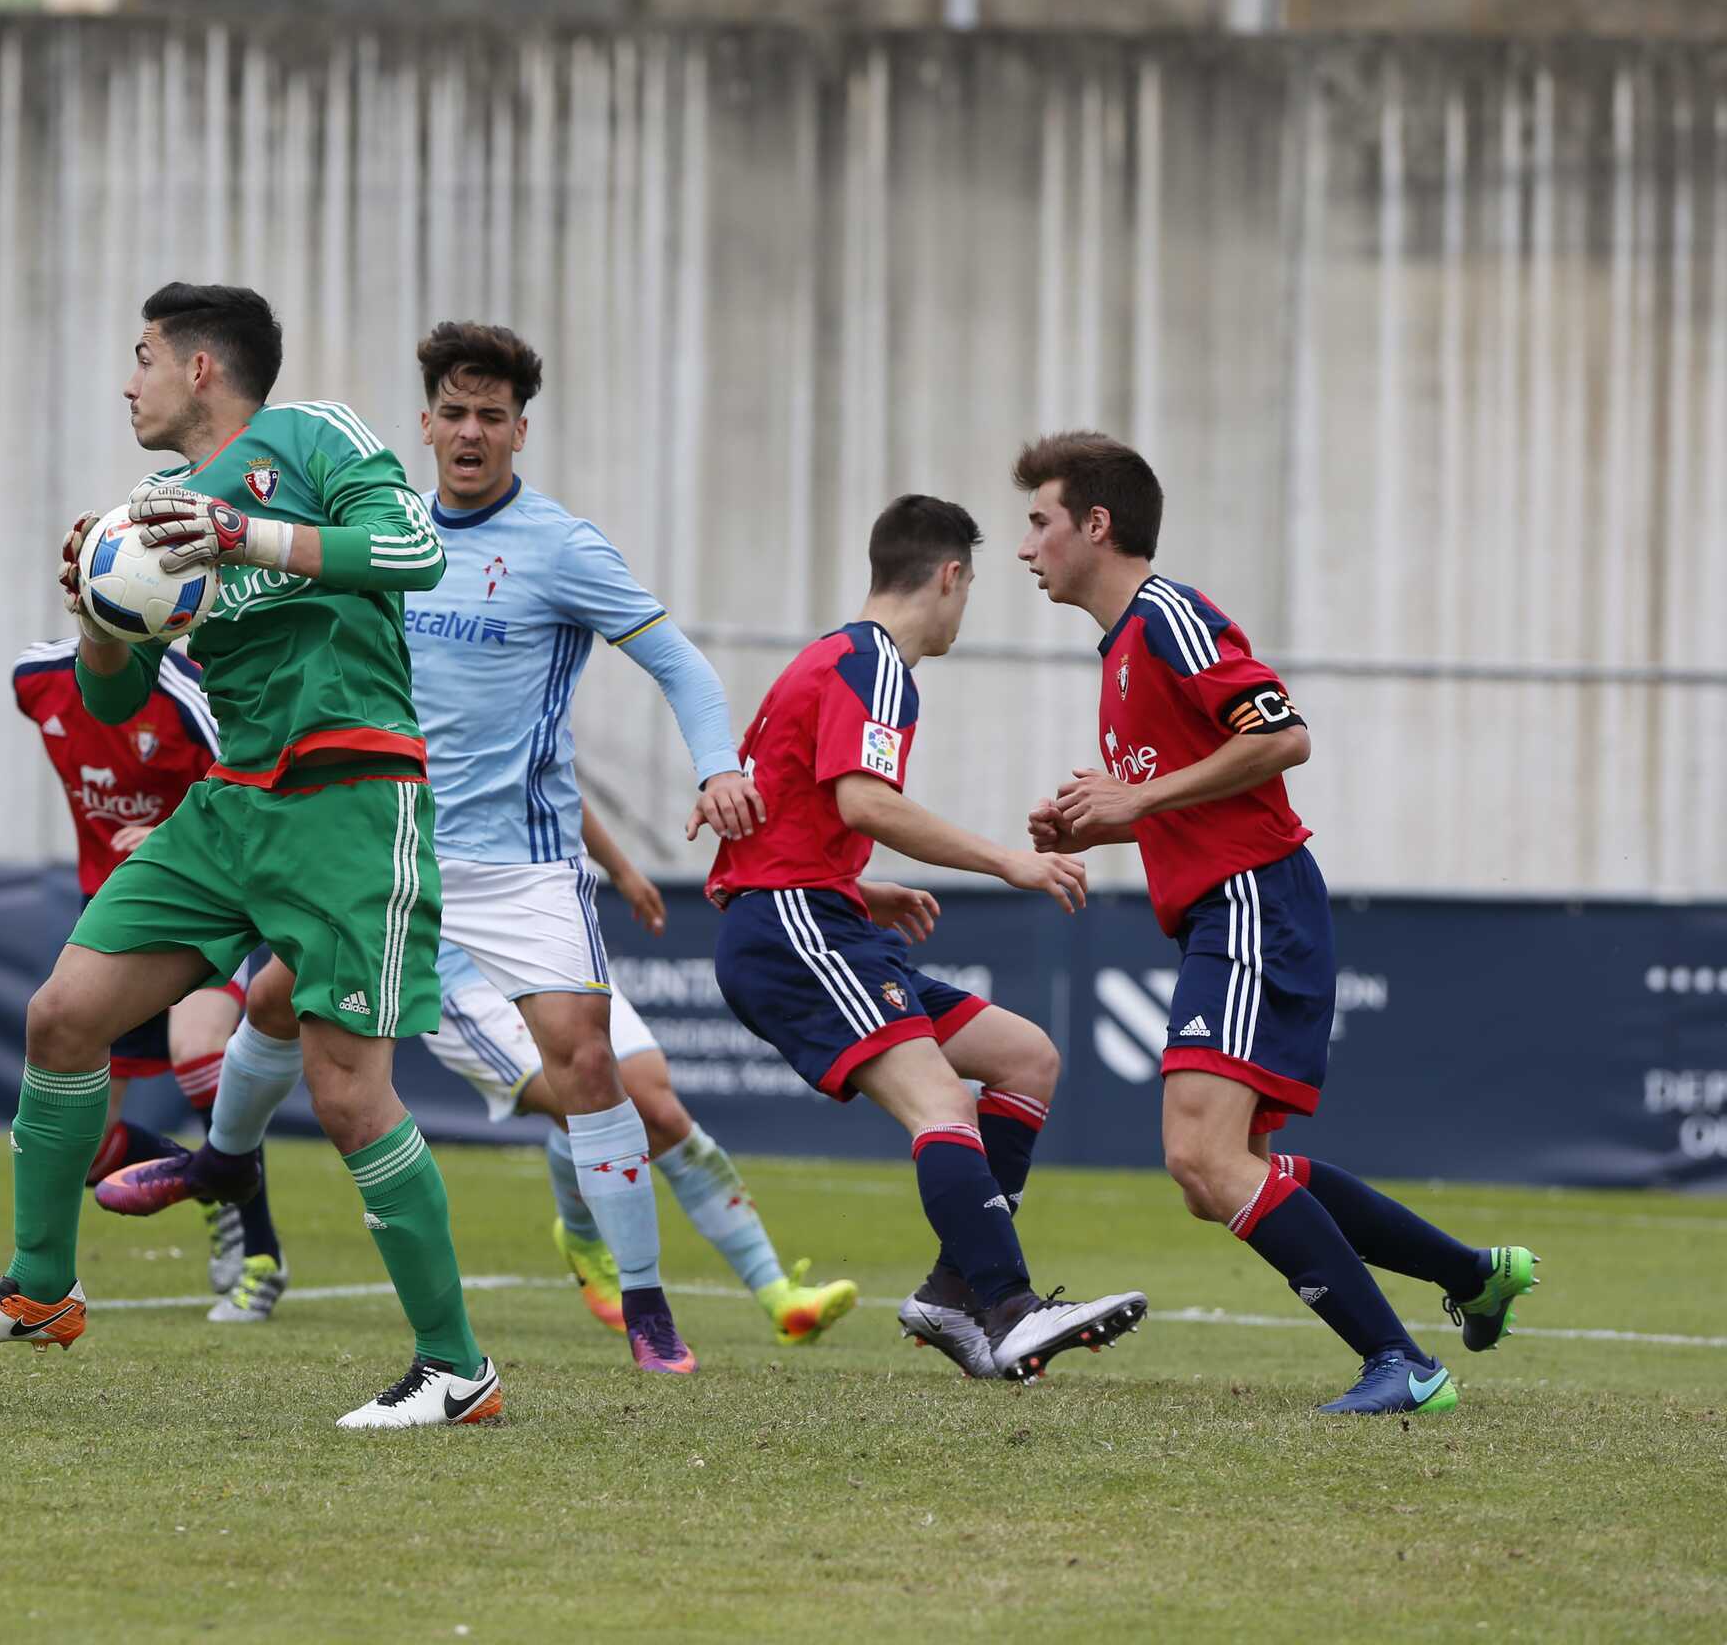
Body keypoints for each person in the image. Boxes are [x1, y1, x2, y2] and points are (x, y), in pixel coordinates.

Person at [0, 282, 499, 1432]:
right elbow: (111, 699)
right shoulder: (154, 511)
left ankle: (456, 1369)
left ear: (201, 368)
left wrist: (244, 536)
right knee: (63, 1017)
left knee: (348, 1094)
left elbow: (414, 550)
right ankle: (41, 1287)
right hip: (229, 804)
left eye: (142, 357)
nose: (127, 383)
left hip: (349, 797)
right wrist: (98, 609)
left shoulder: (314, 435)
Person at [124, 321, 763, 1375]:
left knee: (587, 1060)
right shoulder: (372, 532)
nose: (472, 433)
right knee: (277, 999)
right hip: (386, 835)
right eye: (454, 413)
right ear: (424, 425)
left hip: (521, 863)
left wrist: (718, 766)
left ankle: (647, 1306)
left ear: (520, 431)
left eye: (492, 417)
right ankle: (224, 1161)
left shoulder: (562, 547)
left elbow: (682, 667)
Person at [1014, 430, 1537, 1415]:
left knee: (1204, 1159)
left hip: (1252, 901)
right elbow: (1199, 796)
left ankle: (1402, 1364)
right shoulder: (1121, 648)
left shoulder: (1169, 617)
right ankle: (1471, 1275)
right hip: (1229, 907)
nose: (1025, 545)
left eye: (1040, 522)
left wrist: (1136, 798)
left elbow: (1283, 735)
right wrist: (1100, 821)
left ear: (1097, 524)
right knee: (1216, 1173)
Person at [705, 493, 1150, 1383]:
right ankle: (1011, 1308)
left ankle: (952, 1294)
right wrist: (1008, 861)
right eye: (970, 587)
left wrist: (854, 887)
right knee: (942, 1105)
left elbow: (783, 817)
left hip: (813, 914)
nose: (964, 607)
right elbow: (864, 802)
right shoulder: (874, 662)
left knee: (1025, 1059)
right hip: (794, 926)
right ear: (950, 577)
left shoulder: (832, 657)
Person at [423, 802, 863, 1346]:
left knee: (659, 1108)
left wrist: (624, 871)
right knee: (589, 1102)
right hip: (463, 968)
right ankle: (587, 1240)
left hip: (550, 943)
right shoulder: (417, 745)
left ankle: (779, 1295)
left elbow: (556, 783)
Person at [8, 636, 283, 1310]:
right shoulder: (35, 679)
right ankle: (203, 1179)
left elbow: (255, 790)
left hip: (199, 901)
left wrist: (168, 834)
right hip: (109, 913)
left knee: (199, 1051)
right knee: (88, 1145)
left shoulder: (193, 691)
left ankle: (261, 1257)